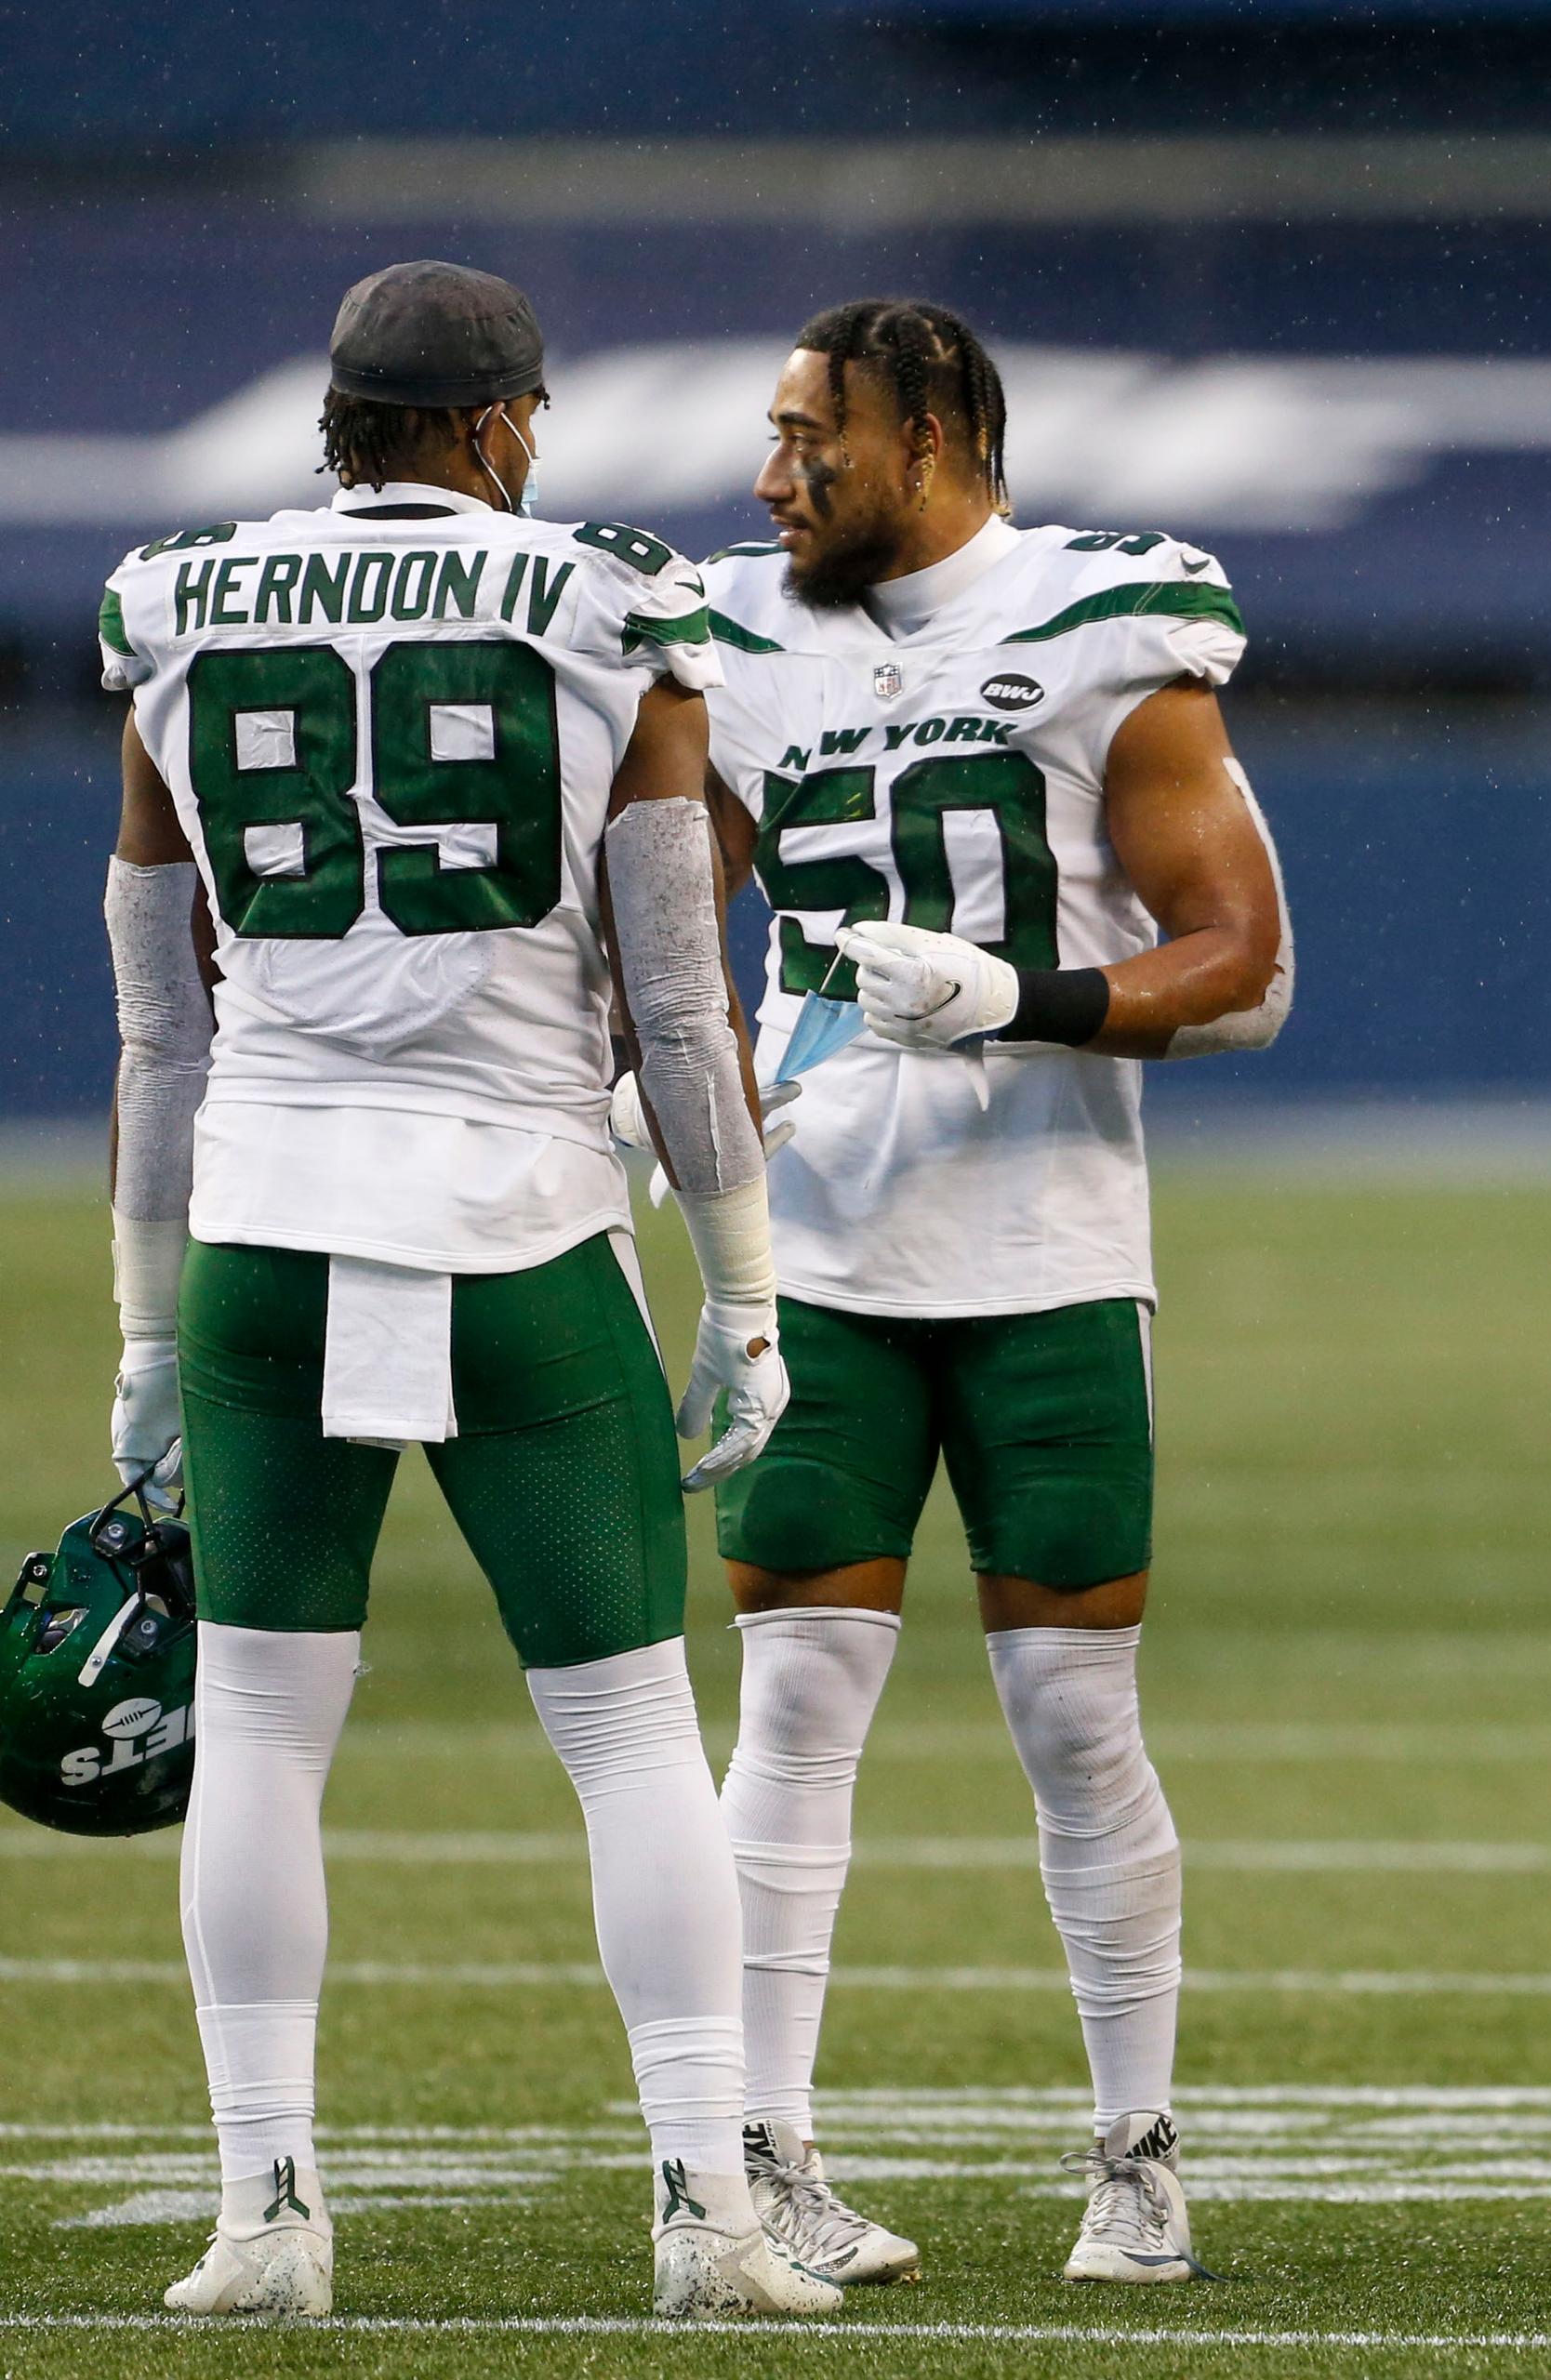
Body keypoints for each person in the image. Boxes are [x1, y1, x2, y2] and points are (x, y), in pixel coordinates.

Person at [97, 261, 829, 2320]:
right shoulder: (609, 601)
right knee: (623, 1730)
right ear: (505, 422)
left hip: (264, 1215)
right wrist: (747, 1286)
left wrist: (148, 1323)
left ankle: (267, 2211)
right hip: (515, 1217)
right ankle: (705, 2211)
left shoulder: (175, 598)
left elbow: (158, 1018)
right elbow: (679, 1002)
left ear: (334, 419)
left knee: (255, 1714)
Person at [680, 298, 1290, 2288]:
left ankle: (1137, 2149)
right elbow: (668, 929)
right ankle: (759, 2154)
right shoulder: (734, 639)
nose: (774, 476)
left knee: (1075, 1714)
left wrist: (1020, 997)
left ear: (930, 430)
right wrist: (648, 1067)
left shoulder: (1109, 614)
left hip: (1040, 1246)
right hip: (823, 1251)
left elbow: (1250, 962)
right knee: (793, 1704)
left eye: (811, 436)